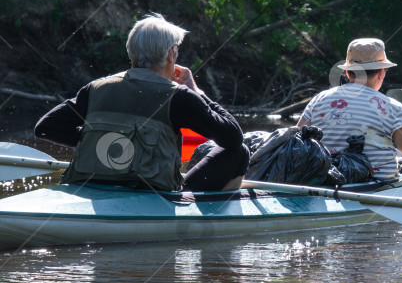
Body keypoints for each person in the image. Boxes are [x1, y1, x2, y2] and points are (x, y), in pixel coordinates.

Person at [35, 13, 249, 193]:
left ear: (131, 52)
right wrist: (197, 91)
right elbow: (232, 138)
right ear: (171, 54)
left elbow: (45, 128)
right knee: (240, 152)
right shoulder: (180, 96)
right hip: (153, 195)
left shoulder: (96, 88)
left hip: (89, 186)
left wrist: (100, 138)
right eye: (177, 50)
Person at [296, 38, 402, 181]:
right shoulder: (393, 108)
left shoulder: (318, 100)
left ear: (349, 73)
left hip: (322, 184)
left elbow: (294, 144)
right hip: (376, 190)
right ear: (381, 73)